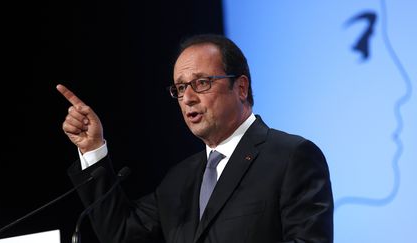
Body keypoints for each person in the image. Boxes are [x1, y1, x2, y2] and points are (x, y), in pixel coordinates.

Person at [56, 34, 334, 243]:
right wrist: (93, 150)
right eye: (179, 88)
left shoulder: (290, 157)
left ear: (240, 87)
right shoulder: (180, 179)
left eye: (201, 83)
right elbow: (120, 233)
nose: (188, 98)